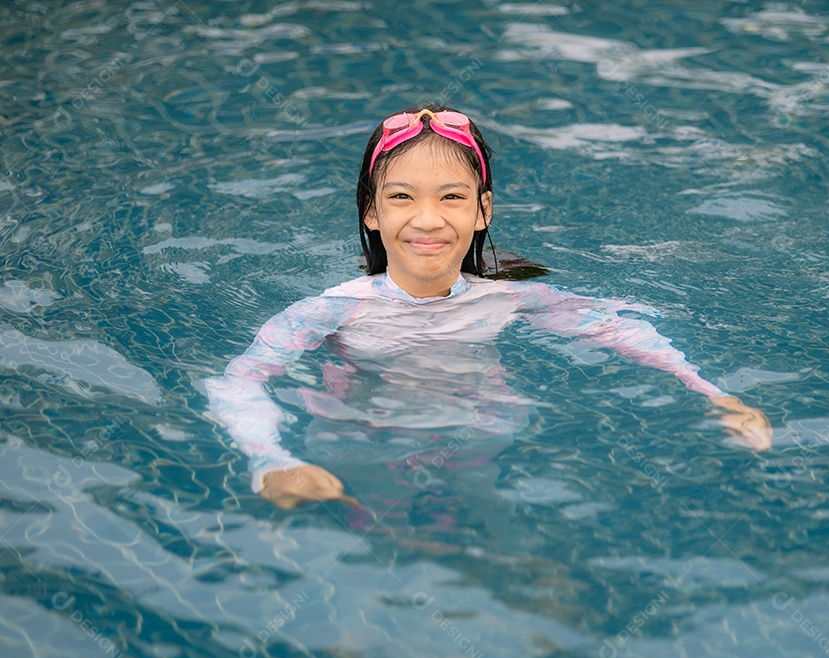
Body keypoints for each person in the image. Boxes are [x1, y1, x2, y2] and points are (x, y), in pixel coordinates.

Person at [205, 104, 772, 511]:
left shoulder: (507, 297)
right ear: (371, 213)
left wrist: (714, 394)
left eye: (452, 196)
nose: (428, 220)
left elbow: (619, 331)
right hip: (364, 441)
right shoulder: (332, 310)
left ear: (483, 211)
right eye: (401, 197)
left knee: (494, 534)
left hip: (479, 436)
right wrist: (269, 460)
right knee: (379, 543)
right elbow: (240, 380)